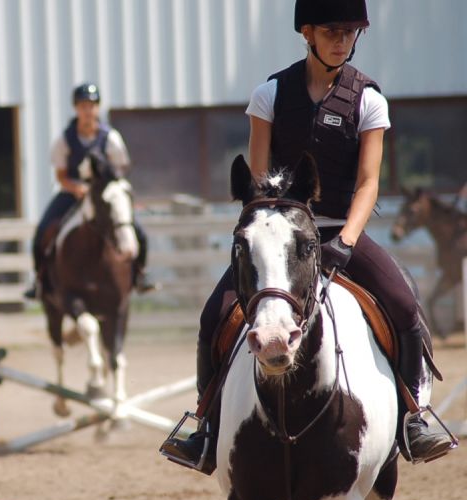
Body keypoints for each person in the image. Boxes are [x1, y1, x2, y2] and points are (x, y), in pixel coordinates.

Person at [161, 0, 453, 474]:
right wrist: (269, 233)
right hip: (281, 235)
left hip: (340, 231)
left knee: (402, 303)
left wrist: (347, 241)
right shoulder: (270, 95)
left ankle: (416, 418)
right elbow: (257, 179)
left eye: (350, 31)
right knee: (213, 316)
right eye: (331, 31)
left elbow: (368, 183)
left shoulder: (369, 100)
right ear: (308, 34)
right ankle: (205, 426)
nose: (342, 40)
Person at [24, 82, 155, 299]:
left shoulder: (110, 138)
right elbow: (60, 176)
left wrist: (105, 187)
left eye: (92, 106)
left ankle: (141, 275)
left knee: (136, 230)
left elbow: (121, 168)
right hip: (74, 193)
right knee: (43, 230)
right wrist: (77, 188)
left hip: (103, 194)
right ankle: (39, 280)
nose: (88, 111)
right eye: (83, 106)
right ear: (76, 108)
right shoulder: (65, 139)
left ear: (97, 108)